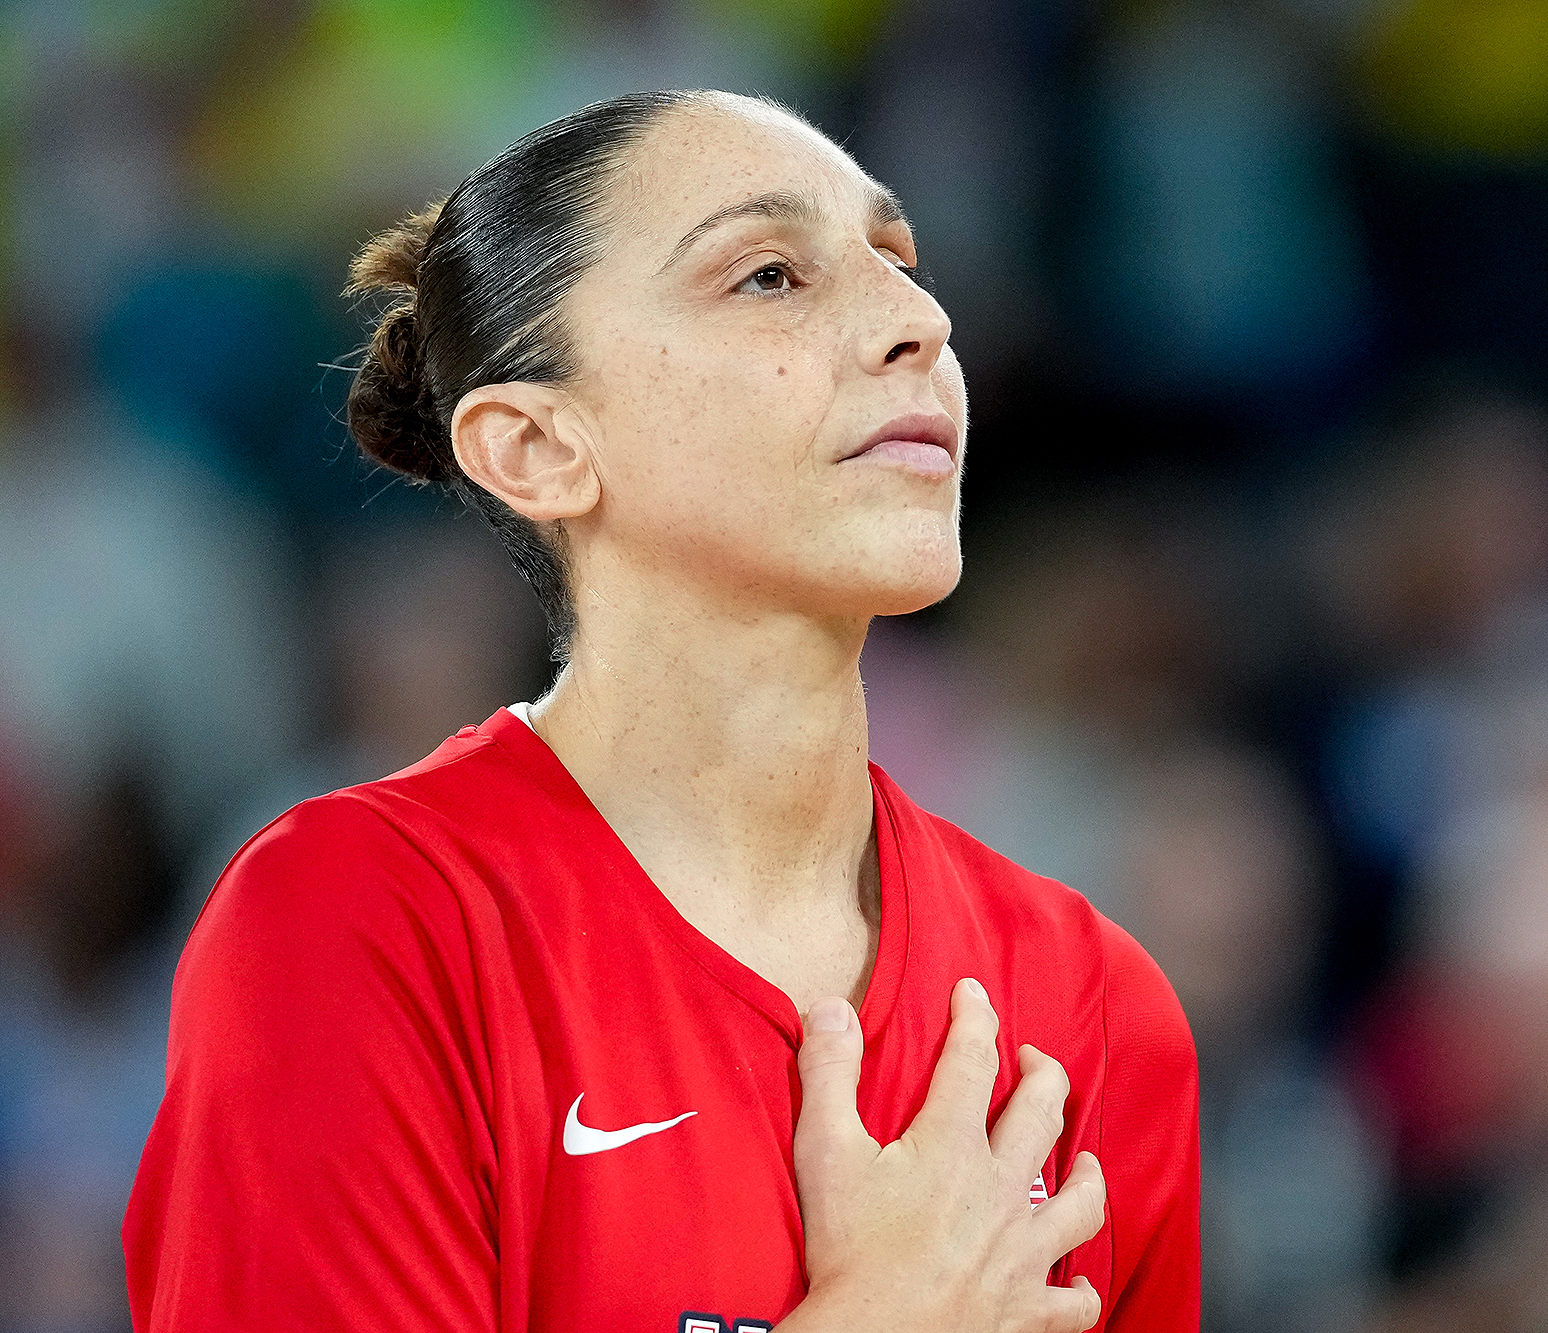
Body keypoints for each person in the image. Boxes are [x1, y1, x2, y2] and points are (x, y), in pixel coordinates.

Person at [121, 91, 1200, 1332]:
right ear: (533, 447)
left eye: (899, 263)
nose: (920, 321)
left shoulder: (1096, 1006)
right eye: (768, 275)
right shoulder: (359, 918)